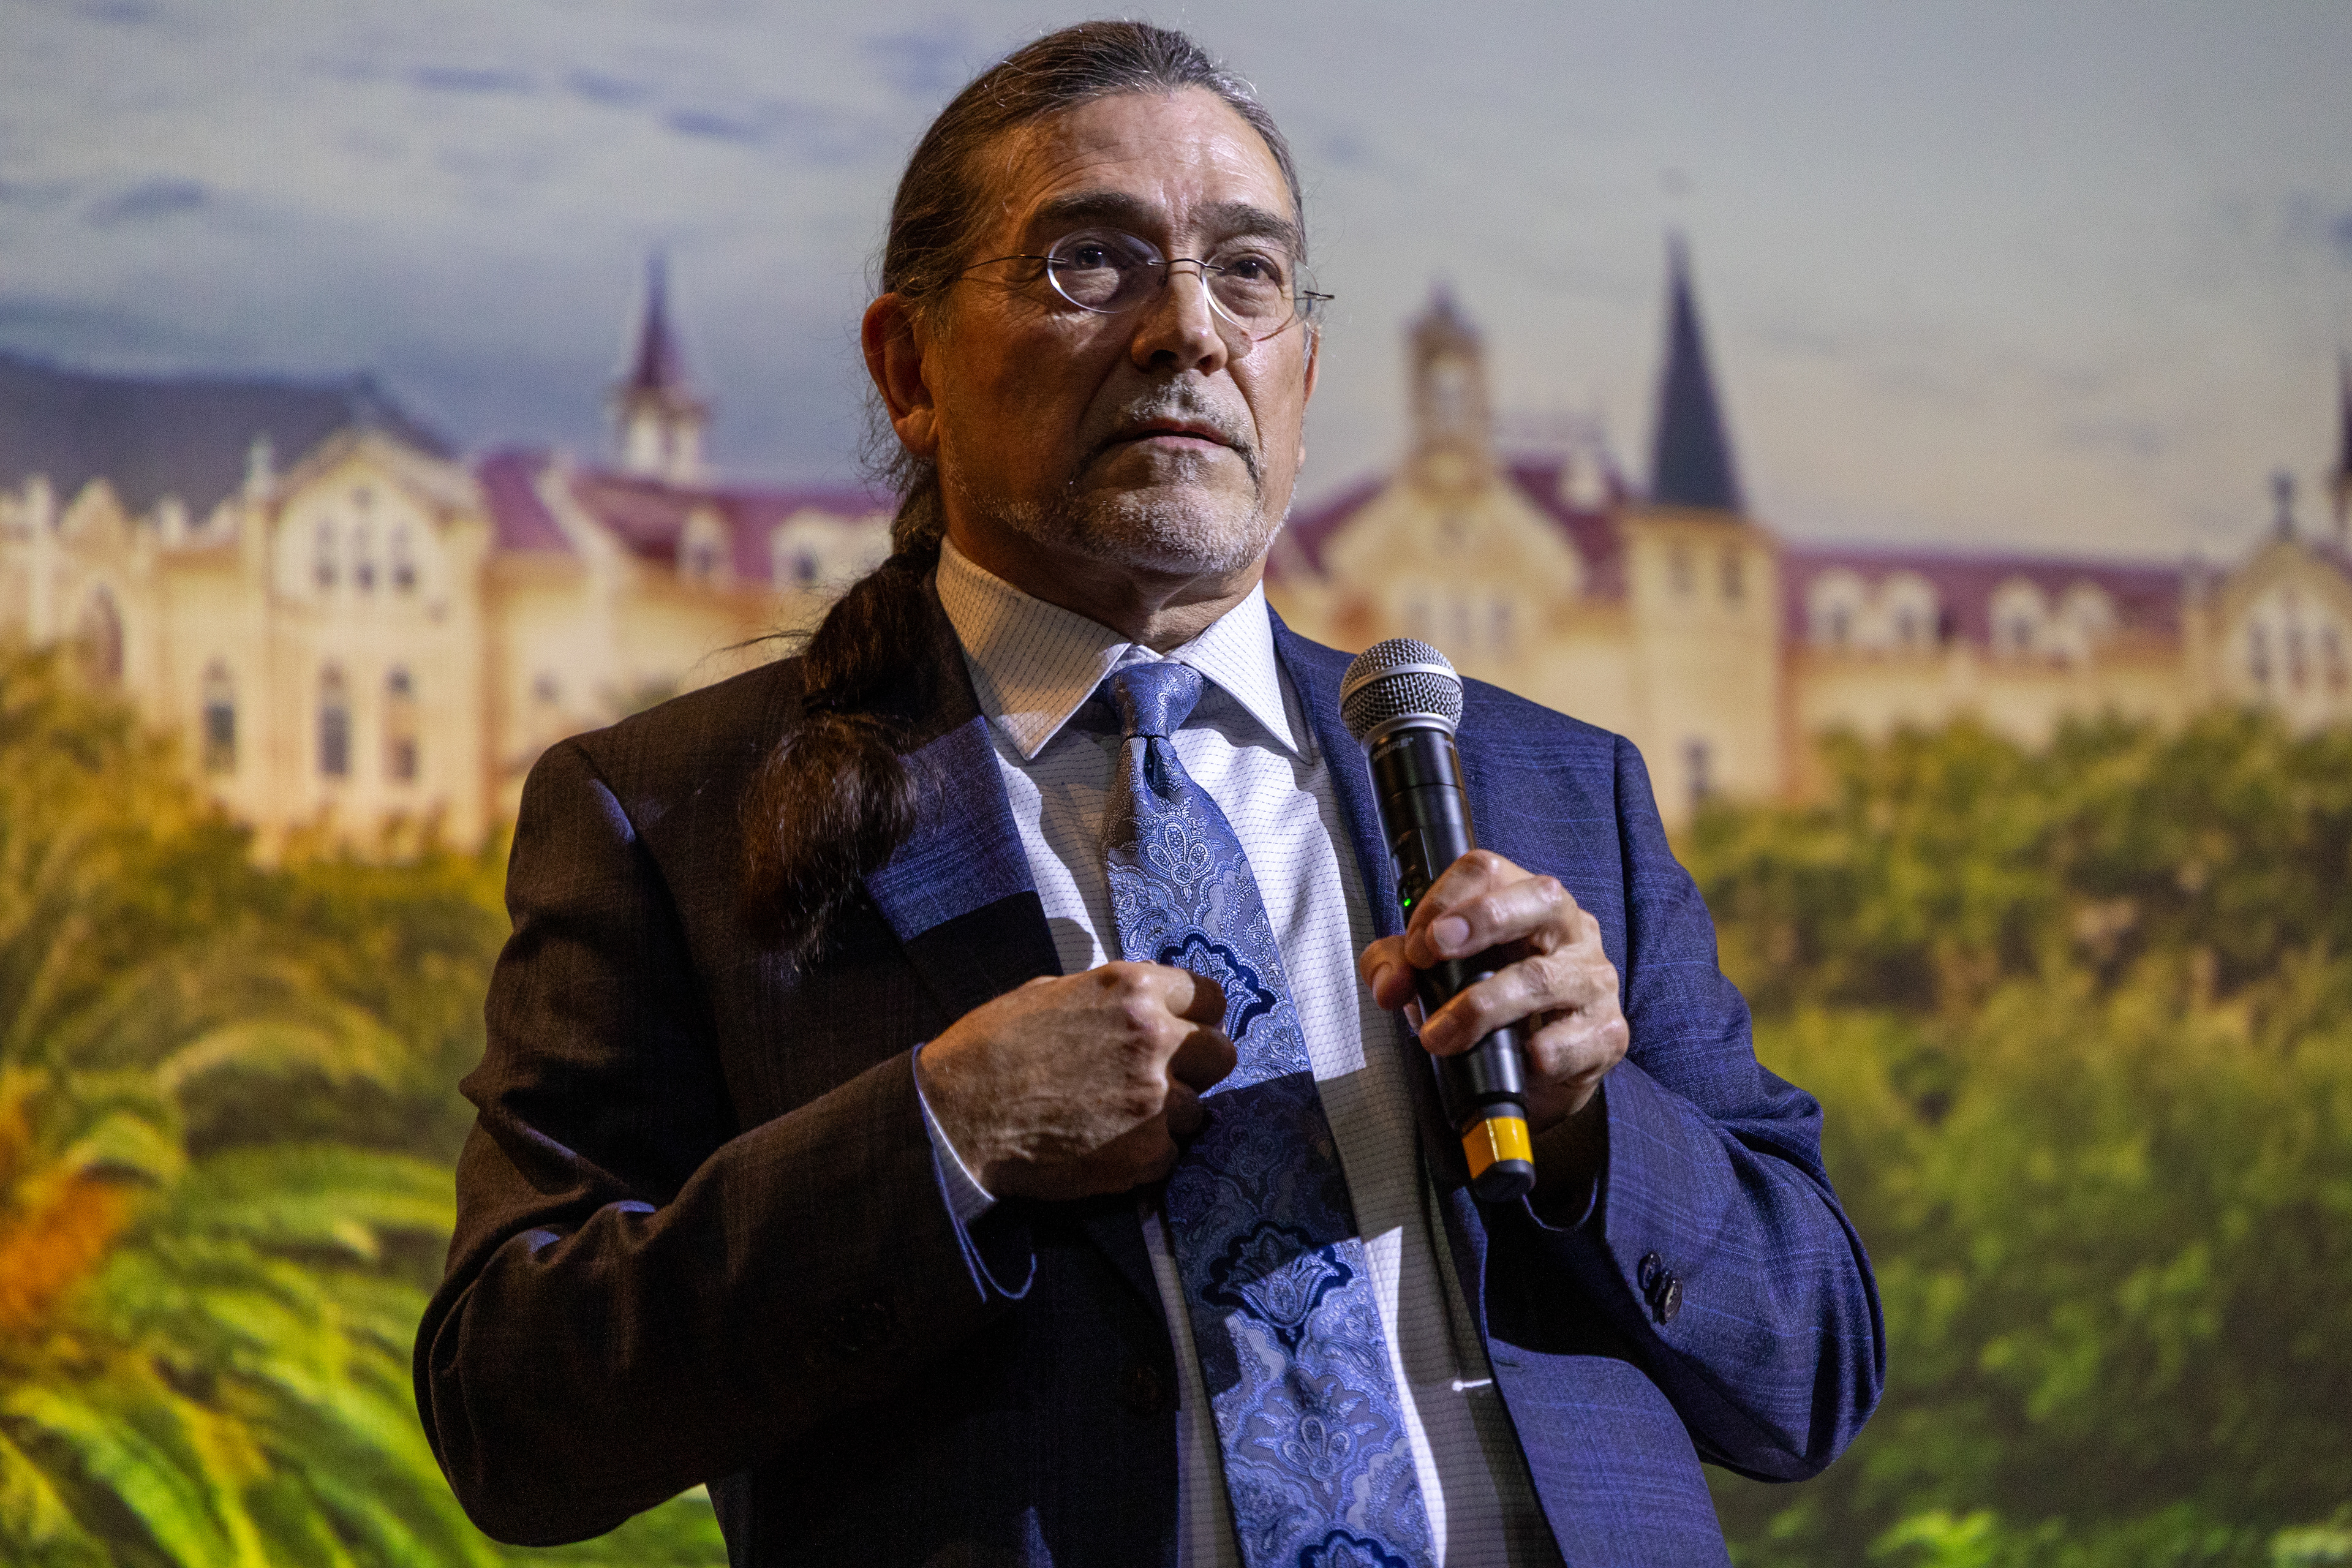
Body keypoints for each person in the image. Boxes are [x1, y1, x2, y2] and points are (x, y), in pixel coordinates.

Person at [413, 22, 1882, 1567]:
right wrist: (942, 1132)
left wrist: (1593, 1124)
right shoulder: (671, 812)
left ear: (1301, 378)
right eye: (1091, 263)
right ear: (910, 369)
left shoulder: (1553, 785)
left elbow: (1816, 1373)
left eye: (1247, 274)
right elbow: (515, 1416)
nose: (1188, 327)